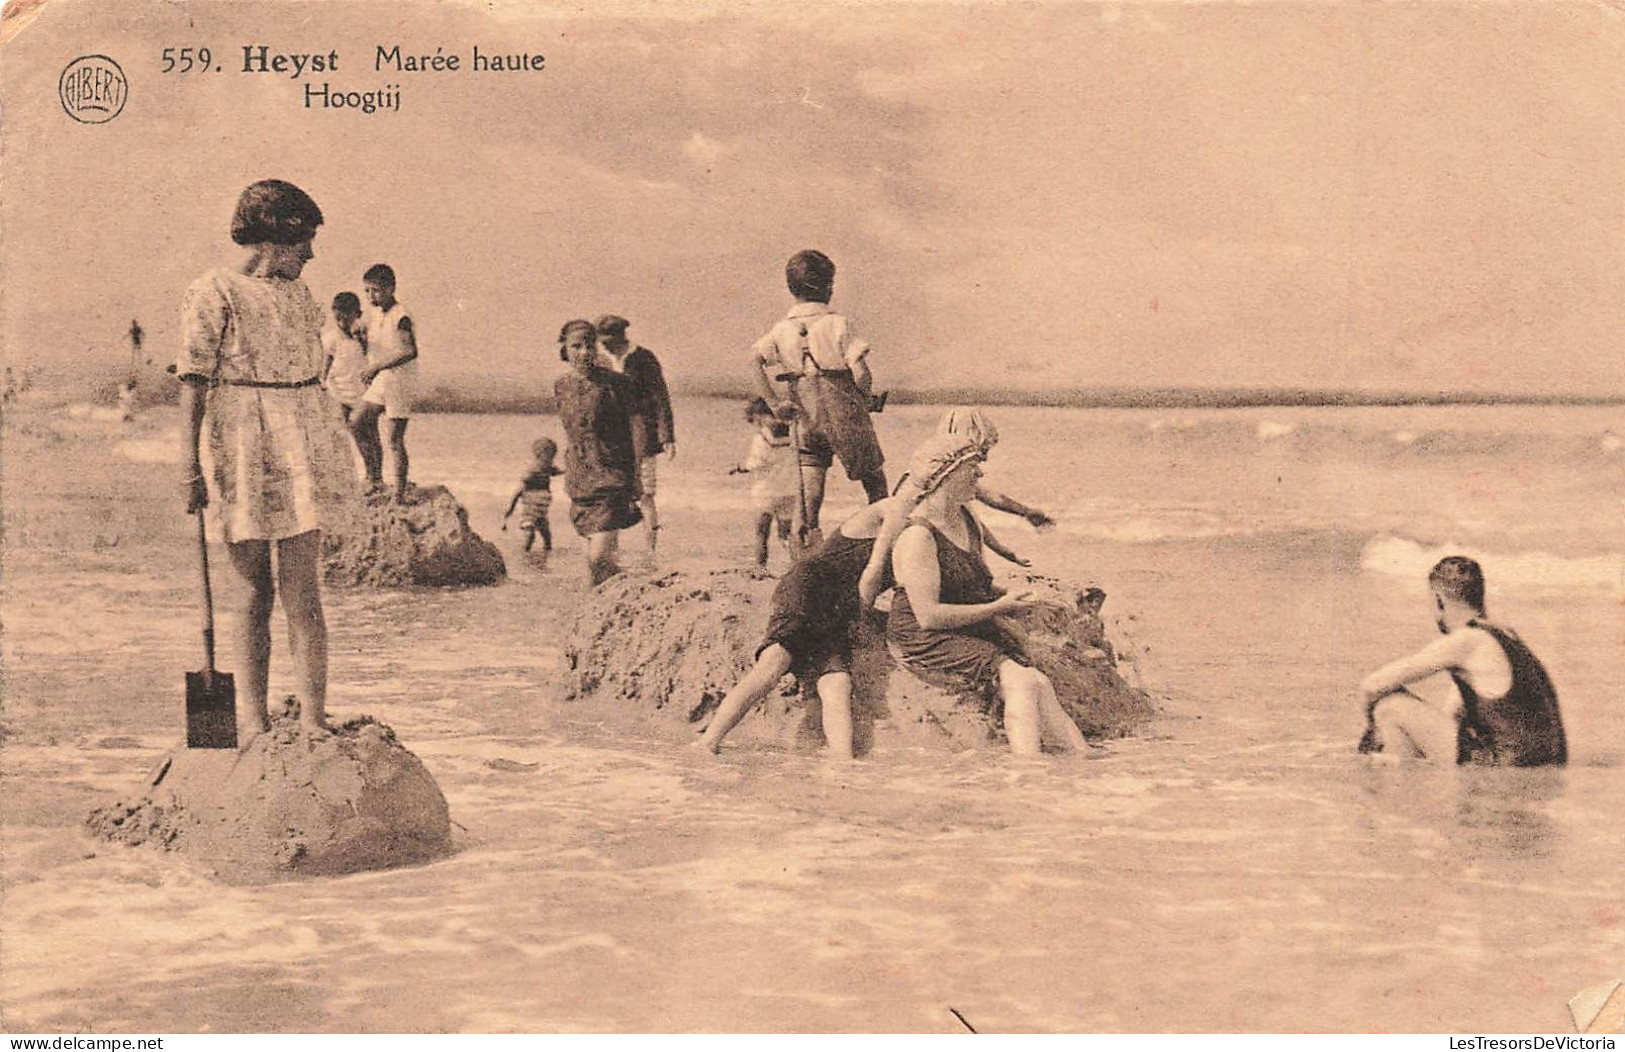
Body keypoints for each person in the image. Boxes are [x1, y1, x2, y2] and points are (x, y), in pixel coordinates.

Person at [177, 179, 358, 739]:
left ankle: (312, 718)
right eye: (303, 239)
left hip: (300, 443)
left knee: (303, 589)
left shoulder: (300, 296)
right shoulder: (213, 290)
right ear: (272, 237)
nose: (310, 253)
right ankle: (250, 721)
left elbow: (311, 376)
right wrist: (189, 466)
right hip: (240, 445)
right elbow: (193, 384)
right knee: (253, 590)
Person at [697, 435, 966, 761]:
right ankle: (708, 741)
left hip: (839, 610)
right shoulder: (891, 512)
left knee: (837, 684)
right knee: (773, 665)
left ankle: (842, 764)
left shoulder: (923, 533)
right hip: (809, 589)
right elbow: (870, 577)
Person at [887, 440, 1089, 757]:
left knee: (1037, 681)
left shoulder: (965, 521)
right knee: (1021, 681)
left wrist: (1015, 597)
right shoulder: (918, 536)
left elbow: (969, 584)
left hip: (962, 620)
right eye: (972, 468)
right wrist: (999, 608)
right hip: (924, 635)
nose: (979, 474)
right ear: (946, 475)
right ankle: (1027, 767)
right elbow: (928, 615)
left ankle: (1082, 757)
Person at [1358, 556, 1567, 766]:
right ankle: (1403, 770)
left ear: (1439, 600)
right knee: (1408, 738)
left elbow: (1371, 685)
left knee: (1391, 706)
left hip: (1507, 766)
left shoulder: (1466, 640)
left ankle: (1397, 781)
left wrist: (1373, 731)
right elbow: (1453, 717)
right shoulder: (1505, 635)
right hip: (1545, 763)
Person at [751, 249, 889, 548]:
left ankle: (805, 549)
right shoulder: (838, 323)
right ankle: (881, 544)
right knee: (875, 483)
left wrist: (775, 404)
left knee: (810, 495)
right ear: (829, 287)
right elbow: (861, 373)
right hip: (846, 420)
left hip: (806, 419)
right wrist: (865, 399)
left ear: (791, 289)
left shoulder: (781, 329)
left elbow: (755, 361)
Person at [891, 407, 1058, 567]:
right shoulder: (931, 478)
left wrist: (1025, 513)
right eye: (982, 451)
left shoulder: (943, 473)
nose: (983, 459)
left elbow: (984, 504)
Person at [554, 319, 642, 585]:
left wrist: (636, 475)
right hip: (581, 479)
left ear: (597, 348)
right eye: (576, 346)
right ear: (565, 350)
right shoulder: (561, 385)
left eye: (589, 345)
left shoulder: (618, 383)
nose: (584, 352)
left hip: (612, 476)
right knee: (595, 561)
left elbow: (634, 429)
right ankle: (609, 605)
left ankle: (626, 593)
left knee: (598, 558)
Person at [594, 315, 675, 558]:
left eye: (607, 340)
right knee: (611, 493)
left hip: (642, 432)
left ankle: (650, 551)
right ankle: (611, 550)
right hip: (610, 434)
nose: (604, 346)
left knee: (645, 494)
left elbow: (661, 396)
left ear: (621, 336)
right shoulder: (599, 360)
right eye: (601, 341)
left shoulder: (644, 358)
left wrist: (667, 436)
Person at [355, 264, 420, 501]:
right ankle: (374, 477)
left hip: (400, 381)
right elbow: (374, 347)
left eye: (375, 291)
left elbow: (409, 350)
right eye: (367, 291)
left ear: (390, 288)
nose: (371, 296)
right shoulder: (375, 314)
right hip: (383, 379)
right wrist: (362, 341)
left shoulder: (400, 315)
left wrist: (377, 366)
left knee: (394, 438)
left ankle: (399, 493)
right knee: (357, 421)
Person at [729, 397, 797, 568]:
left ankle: (761, 568)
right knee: (786, 535)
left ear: (759, 416)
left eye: (753, 420)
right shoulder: (793, 432)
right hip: (790, 489)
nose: (754, 425)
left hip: (766, 491)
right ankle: (796, 564)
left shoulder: (762, 437)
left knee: (761, 532)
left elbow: (755, 463)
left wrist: (739, 467)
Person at [502, 437, 565, 553]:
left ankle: (546, 552)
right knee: (530, 534)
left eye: (553, 456)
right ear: (539, 455)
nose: (552, 460)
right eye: (549, 456)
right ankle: (525, 553)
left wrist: (570, 470)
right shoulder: (533, 470)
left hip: (541, 508)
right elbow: (519, 490)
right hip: (530, 507)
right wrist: (510, 509)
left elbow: (556, 472)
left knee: (546, 535)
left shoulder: (547, 467)